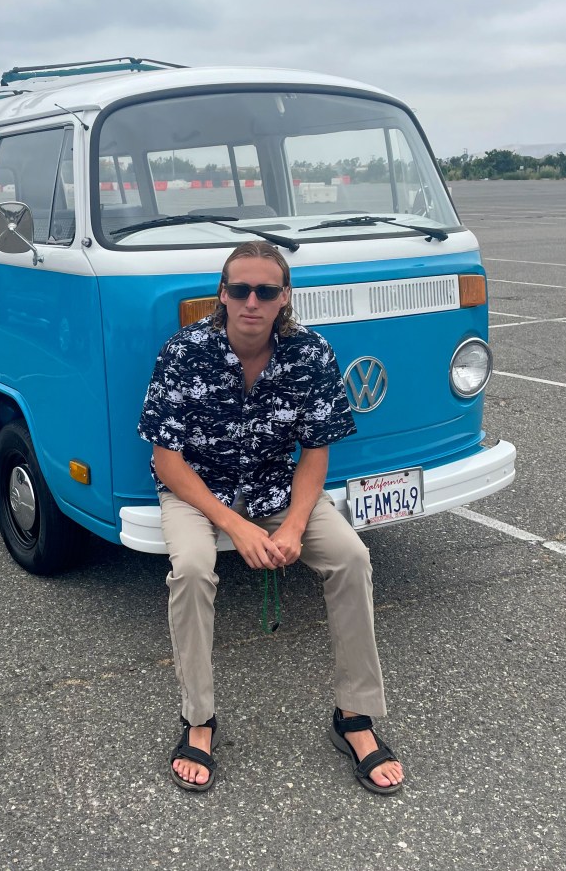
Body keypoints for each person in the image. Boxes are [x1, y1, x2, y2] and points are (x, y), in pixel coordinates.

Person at [138, 240, 404, 795]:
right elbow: (167, 458)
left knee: (352, 557)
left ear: (285, 296)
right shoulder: (184, 352)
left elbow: (314, 450)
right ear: (223, 295)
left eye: (265, 290)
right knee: (191, 569)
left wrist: (290, 525)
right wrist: (236, 527)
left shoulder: (311, 353)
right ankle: (198, 720)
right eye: (239, 289)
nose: (251, 301)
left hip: (274, 489)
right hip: (197, 491)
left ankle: (354, 717)